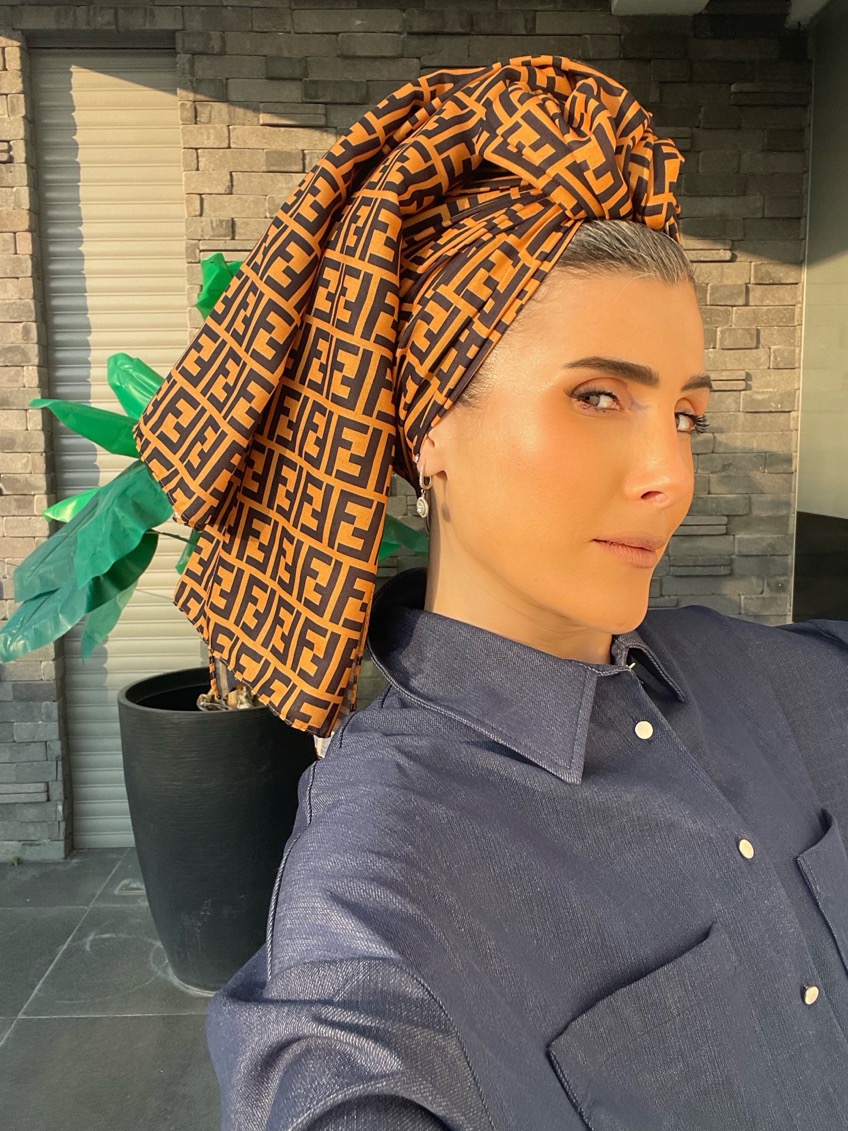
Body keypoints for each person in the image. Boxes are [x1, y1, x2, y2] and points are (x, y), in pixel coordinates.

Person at [132, 57, 848, 1131]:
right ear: (429, 430)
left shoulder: (759, 670)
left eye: (685, 415)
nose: (671, 473)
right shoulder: (384, 882)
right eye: (597, 396)